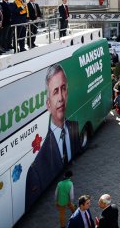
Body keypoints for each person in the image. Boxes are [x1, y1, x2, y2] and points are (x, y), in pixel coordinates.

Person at [25, 63, 81, 210]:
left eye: (63, 89)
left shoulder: (75, 127)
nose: (61, 97)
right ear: (48, 103)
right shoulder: (36, 169)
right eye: (55, 91)